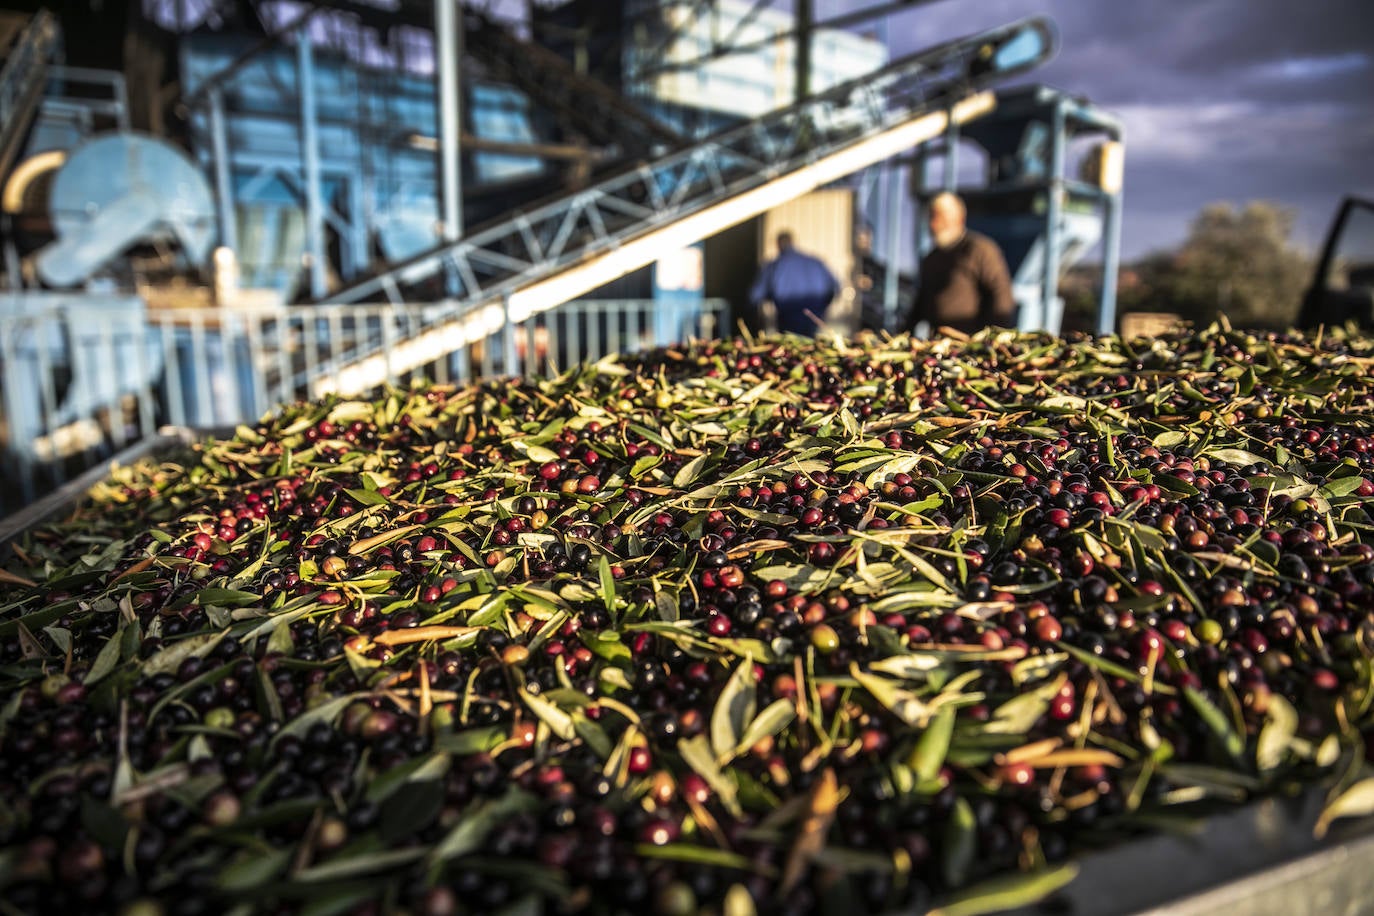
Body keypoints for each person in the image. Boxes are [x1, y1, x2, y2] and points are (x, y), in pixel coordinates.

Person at [906, 191, 1015, 335]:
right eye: (932, 218)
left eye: (941, 219)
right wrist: (905, 332)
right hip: (940, 342)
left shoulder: (980, 249)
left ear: (959, 219)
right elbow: (921, 304)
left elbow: (1001, 294)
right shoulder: (931, 259)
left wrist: (995, 337)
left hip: (971, 343)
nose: (934, 225)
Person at [749, 231, 840, 337]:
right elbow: (835, 287)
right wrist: (822, 309)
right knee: (810, 345)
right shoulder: (815, 262)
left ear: (778, 244)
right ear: (792, 242)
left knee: (790, 348)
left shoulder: (774, 266)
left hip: (788, 319)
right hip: (813, 318)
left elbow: (755, 296)